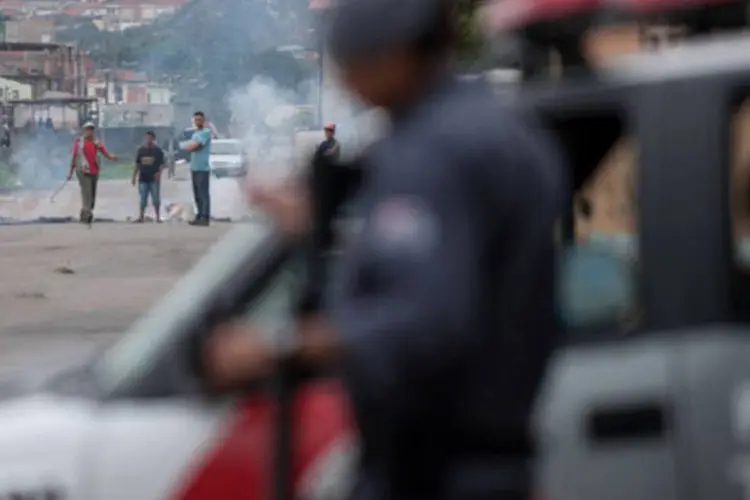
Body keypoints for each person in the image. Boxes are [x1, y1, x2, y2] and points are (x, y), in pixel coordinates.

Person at [201, 0, 565, 499]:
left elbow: (426, 319)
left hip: (437, 470)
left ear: (393, 59)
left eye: (351, 65)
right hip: (488, 461)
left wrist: (277, 348)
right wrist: (323, 226)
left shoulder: (432, 151)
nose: (347, 84)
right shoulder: (497, 130)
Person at [67, 121, 118, 224]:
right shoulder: (79, 142)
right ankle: (87, 215)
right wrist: (70, 172)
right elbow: (74, 157)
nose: (89, 131)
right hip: (82, 171)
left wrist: (111, 157)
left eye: (91, 129)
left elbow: (105, 152)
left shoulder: (96, 142)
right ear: (84, 131)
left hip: (94, 171)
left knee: (92, 194)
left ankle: (85, 213)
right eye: (87, 129)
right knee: (87, 193)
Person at [182, 111, 212, 226]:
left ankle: (205, 217)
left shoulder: (206, 132)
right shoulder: (195, 133)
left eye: (199, 119)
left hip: (202, 168)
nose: (197, 121)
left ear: (203, 121)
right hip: (194, 167)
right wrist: (189, 146)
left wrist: (189, 146)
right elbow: (189, 146)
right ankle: (199, 215)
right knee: (197, 193)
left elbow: (195, 146)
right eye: (196, 120)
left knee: (203, 193)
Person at [131, 130, 166, 223]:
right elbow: (137, 164)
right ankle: (141, 216)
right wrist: (134, 177)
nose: (148, 140)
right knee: (143, 199)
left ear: (154, 139)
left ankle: (158, 217)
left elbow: (163, 164)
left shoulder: (158, 151)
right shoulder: (141, 150)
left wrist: (159, 172)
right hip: (143, 178)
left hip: (154, 178)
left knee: (156, 198)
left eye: (150, 138)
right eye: (147, 138)